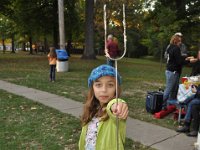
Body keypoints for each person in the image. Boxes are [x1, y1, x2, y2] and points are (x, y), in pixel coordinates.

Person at [79, 64, 128, 150]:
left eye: (110, 85)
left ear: (116, 88)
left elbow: (115, 105)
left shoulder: (115, 114)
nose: (104, 90)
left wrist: (117, 105)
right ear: (92, 88)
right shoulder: (92, 110)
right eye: (98, 85)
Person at [163, 34, 191, 109]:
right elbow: (179, 61)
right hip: (173, 72)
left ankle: (170, 105)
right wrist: (188, 61)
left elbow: (176, 58)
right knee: (169, 89)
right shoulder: (176, 48)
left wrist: (185, 58)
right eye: (179, 41)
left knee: (174, 89)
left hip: (170, 70)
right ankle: (163, 106)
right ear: (176, 41)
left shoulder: (170, 47)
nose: (180, 43)